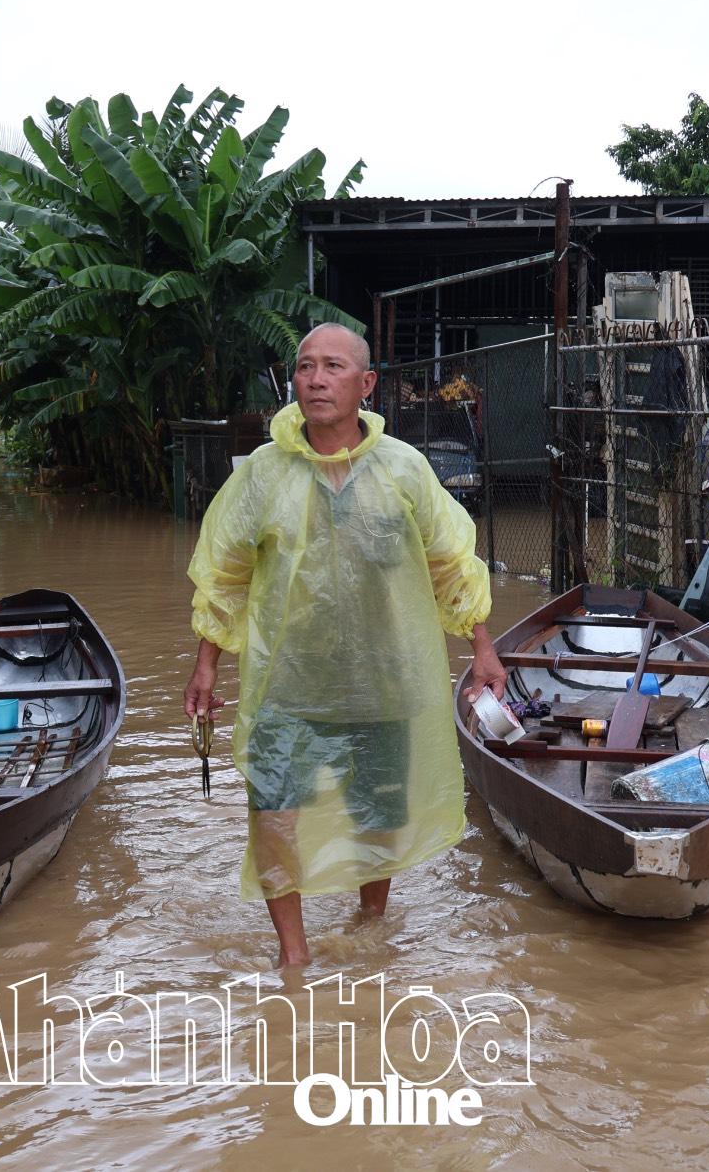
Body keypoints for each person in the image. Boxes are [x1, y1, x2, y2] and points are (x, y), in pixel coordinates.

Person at [184, 324, 506, 968]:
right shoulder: (263, 475)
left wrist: (483, 647)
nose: (316, 378)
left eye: (333, 366)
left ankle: (370, 920)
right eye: (305, 366)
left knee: (378, 813)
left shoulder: (404, 470)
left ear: (365, 384)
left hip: (380, 679)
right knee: (273, 814)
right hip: (286, 683)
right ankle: (293, 955)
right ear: (293, 382)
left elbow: (450, 562)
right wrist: (207, 663)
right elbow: (226, 573)